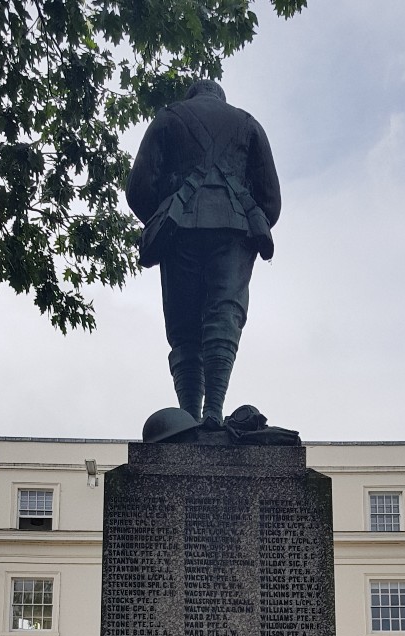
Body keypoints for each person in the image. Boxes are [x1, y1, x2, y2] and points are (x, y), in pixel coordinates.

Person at [126, 79, 281, 428]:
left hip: (179, 232)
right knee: (224, 316)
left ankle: (188, 418)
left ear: (191, 96)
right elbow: (271, 200)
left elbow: (139, 189)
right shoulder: (248, 124)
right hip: (234, 232)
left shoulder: (167, 118)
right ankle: (213, 410)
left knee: (184, 328)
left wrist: (166, 213)